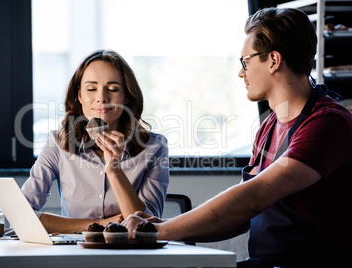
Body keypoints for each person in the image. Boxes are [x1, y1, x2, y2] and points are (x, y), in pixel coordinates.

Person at [122, 8, 352, 267]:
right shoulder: (269, 127)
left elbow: (254, 197)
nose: (241, 73)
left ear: (273, 60)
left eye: (246, 62)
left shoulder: (328, 123)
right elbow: (240, 217)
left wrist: (158, 231)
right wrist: (163, 226)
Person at [21, 49, 169, 234]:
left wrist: (114, 170)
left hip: (131, 255)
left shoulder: (155, 147)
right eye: (91, 89)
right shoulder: (57, 144)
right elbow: (22, 215)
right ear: (79, 96)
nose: (101, 98)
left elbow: (147, 228)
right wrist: (99, 225)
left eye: (113, 89)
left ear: (127, 96)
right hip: (75, 255)